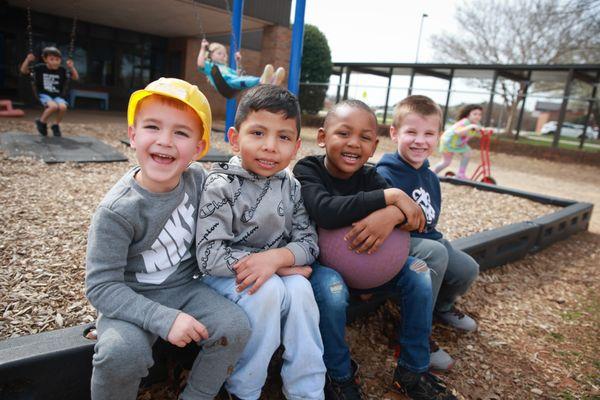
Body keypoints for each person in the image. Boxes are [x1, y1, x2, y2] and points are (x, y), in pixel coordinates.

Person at [85, 77, 251, 400]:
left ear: (199, 148)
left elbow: (239, 202)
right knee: (121, 353)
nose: (165, 141)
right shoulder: (117, 211)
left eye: (181, 132)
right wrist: (164, 319)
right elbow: (101, 286)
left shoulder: (198, 180)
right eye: (152, 127)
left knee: (235, 327)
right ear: (132, 135)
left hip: (183, 288)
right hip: (132, 297)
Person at [293, 99, 457, 400]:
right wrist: (390, 197)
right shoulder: (308, 169)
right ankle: (338, 375)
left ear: (374, 146)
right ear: (321, 137)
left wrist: (392, 213)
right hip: (321, 266)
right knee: (331, 291)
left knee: (420, 271)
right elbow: (325, 211)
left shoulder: (370, 177)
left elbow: (414, 218)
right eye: (343, 133)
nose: (353, 143)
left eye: (365, 138)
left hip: (372, 267)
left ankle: (412, 369)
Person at [196, 84, 326, 400]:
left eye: (283, 137)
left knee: (300, 290)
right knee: (268, 290)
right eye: (258, 133)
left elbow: (309, 241)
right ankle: (244, 389)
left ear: (296, 147)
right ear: (234, 137)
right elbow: (209, 256)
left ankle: (307, 390)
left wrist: (278, 260)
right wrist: (278, 266)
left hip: (274, 274)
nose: (270, 146)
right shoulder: (221, 185)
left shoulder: (291, 187)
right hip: (223, 278)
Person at [376, 95, 480, 370]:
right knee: (435, 253)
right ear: (395, 133)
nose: (420, 141)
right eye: (411, 132)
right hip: (398, 243)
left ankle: (440, 308)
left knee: (468, 268)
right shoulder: (385, 173)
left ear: (439, 137)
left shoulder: (431, 176)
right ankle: (413, 337)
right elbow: (385, 223)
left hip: (428, 237)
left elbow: (430, 220)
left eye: (429, 134)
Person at [19, 46, 79, 137]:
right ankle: (41, 122)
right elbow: (23, 71)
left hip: (57, 96)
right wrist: (27, 60)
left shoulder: (62, 70)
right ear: (45, 59)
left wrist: (71, 67)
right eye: (52, 59)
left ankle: (55, 125)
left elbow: (75, 77)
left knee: (63, 107)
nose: (55, 62)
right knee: (53, 106)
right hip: (44, 94)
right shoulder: (40, 68)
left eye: (57, 59)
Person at [197, 40, 286, 92]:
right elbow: (200, 64)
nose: (223, 55)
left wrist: (238, 61)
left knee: (245, 78)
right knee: (244, 79)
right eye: (219, 53)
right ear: (210, 55)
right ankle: (264, 81)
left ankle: (271, 81)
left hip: (233, 81)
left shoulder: (227, 69)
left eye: (224, 54)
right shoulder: (210, 66)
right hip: (224, 84)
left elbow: (238, 74)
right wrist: (202, 48)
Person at [432, 104, 484, 178]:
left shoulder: (476, 124)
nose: (477, 116)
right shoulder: (465, 122)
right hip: (448, 142)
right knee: (446, 162)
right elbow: (458, 132)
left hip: (459, 144)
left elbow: (480, 131)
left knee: (468, 152)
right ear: (468, 115)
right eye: (475, 114)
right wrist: (470, 127)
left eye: (480, 114)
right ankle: (432, 173)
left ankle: (461, 173)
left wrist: (486, 130)